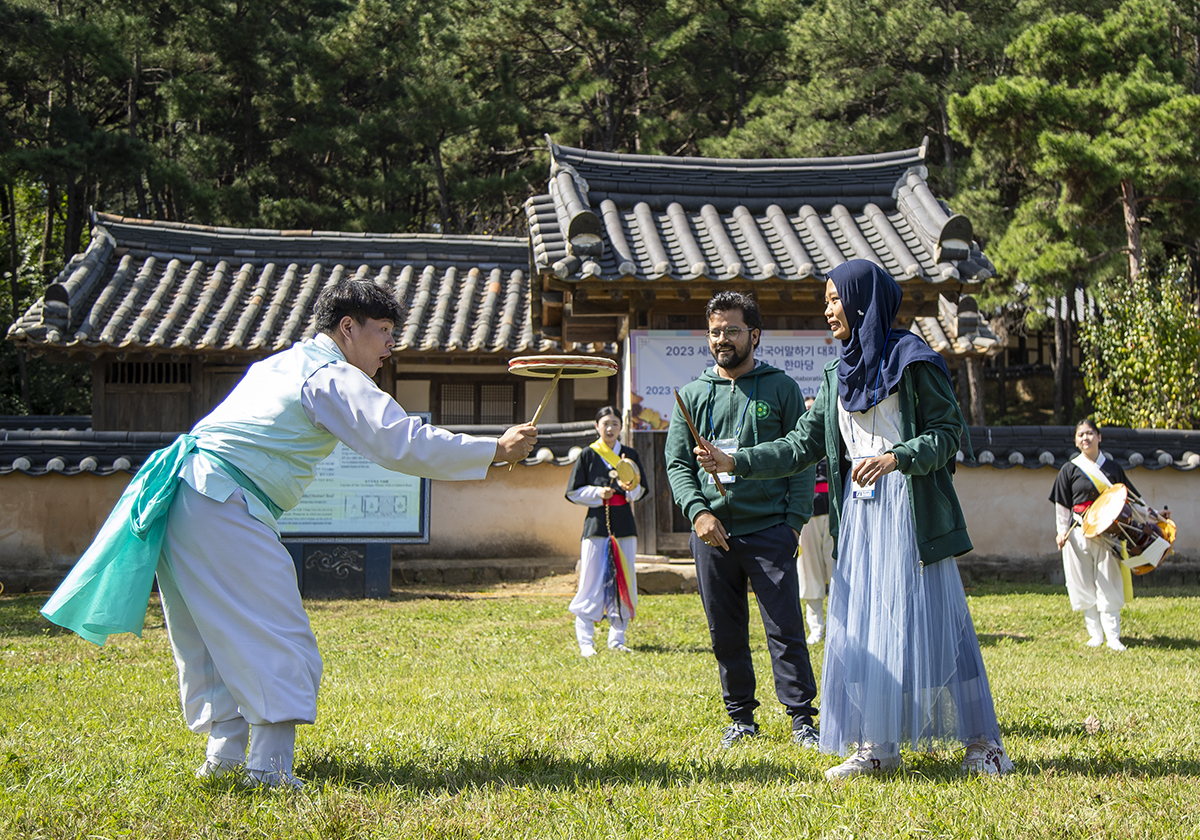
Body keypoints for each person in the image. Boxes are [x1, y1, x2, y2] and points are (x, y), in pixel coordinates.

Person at [42, 279, 538, 788]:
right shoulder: (330, 374)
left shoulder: (280, 363)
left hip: (183, 495)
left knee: (210, 635)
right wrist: (494, 449)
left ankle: (225, 759)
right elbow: (398, 441)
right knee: (276, 629)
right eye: (384, 331)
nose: (391, 345)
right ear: (347, 328)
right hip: (219, 499)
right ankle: (268, 768)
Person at [696, 260, 1012, 779]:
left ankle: (984, 743)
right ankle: (878, 746)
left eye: (834, 299)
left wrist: (898, 457)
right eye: (826, 301)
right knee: (866, 628)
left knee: (937, 622)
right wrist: (736, 462)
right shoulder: (837, 372)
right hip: (861, 518)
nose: (827, 310)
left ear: (863, 300)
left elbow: (948, 432)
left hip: (909, 512)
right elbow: (803, 444)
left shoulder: (913, 360)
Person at [664, 291, 819, 750]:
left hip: (770, 528)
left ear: (754, 334)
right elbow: (677, 465)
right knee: (725, 629)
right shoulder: (691, 395)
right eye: (714, 331)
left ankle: (801, 719)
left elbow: (803, 459)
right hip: (713, 534)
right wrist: (698, 512)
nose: (722, 339)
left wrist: (792, 522)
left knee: (785, 626)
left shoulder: (782, 388)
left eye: (731, 330)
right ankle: (741, 718)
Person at [1049, 418, 1138, 652]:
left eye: (1090, 433)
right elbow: (1062, 504)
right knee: (1083, 584)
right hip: (1077, 534)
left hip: (1108, 533)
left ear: (1099, 437)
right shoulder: (1069, 469)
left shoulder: (1112, 468)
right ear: (1076, 441)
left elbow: (1131, 500)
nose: (1085, 438)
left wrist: (1155, 514)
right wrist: (1061, 532)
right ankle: (1095, 634)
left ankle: (1113, 637)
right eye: (1081, 435)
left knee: (1109, 582)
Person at [565, 406, 646, 656]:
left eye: (614, 423)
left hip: (624, 524)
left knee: (624, 578)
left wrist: (629, 486)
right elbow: (573, 491)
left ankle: (617, 639)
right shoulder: (588, 455)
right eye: (605, 423)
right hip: (597, 525)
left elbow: (641, 491)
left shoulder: (629, 454)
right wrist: (598, 493)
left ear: (621, 427)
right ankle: (586, 641)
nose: (610, 428)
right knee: (591, 579)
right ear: (596, 426)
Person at [798, 396, 835, 645]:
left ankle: (840, 625)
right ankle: (816, 627)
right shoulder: (798, 441)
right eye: (807, 409)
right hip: (806, 513)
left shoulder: (835, 436)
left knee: (837, 570)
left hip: (833, 511)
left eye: (815, 409)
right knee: (809, 571)